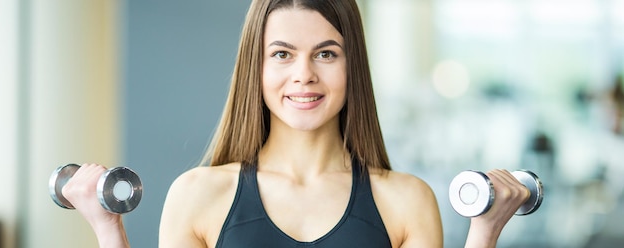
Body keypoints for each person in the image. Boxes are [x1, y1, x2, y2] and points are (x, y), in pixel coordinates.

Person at [63, 0, 530, 247]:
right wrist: (109, 231)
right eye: (282, 54)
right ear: (257, 68)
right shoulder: (198, 195)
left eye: (326, 53)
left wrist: (483, 233)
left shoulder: (406, 201)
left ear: (353, 68)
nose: (304, 74)